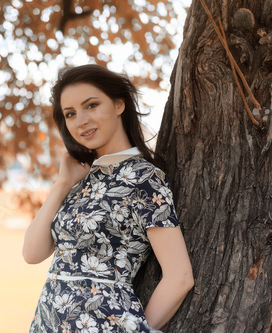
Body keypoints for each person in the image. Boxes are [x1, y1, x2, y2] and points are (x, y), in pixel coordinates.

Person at [23, 64, 194, 332]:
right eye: (70, 114)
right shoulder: (79, 182)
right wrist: (62, 184)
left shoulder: (144, 179)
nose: (81, 121)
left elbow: (180, 277)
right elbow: (32, 254)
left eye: (91, 105)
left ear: (118, 105)